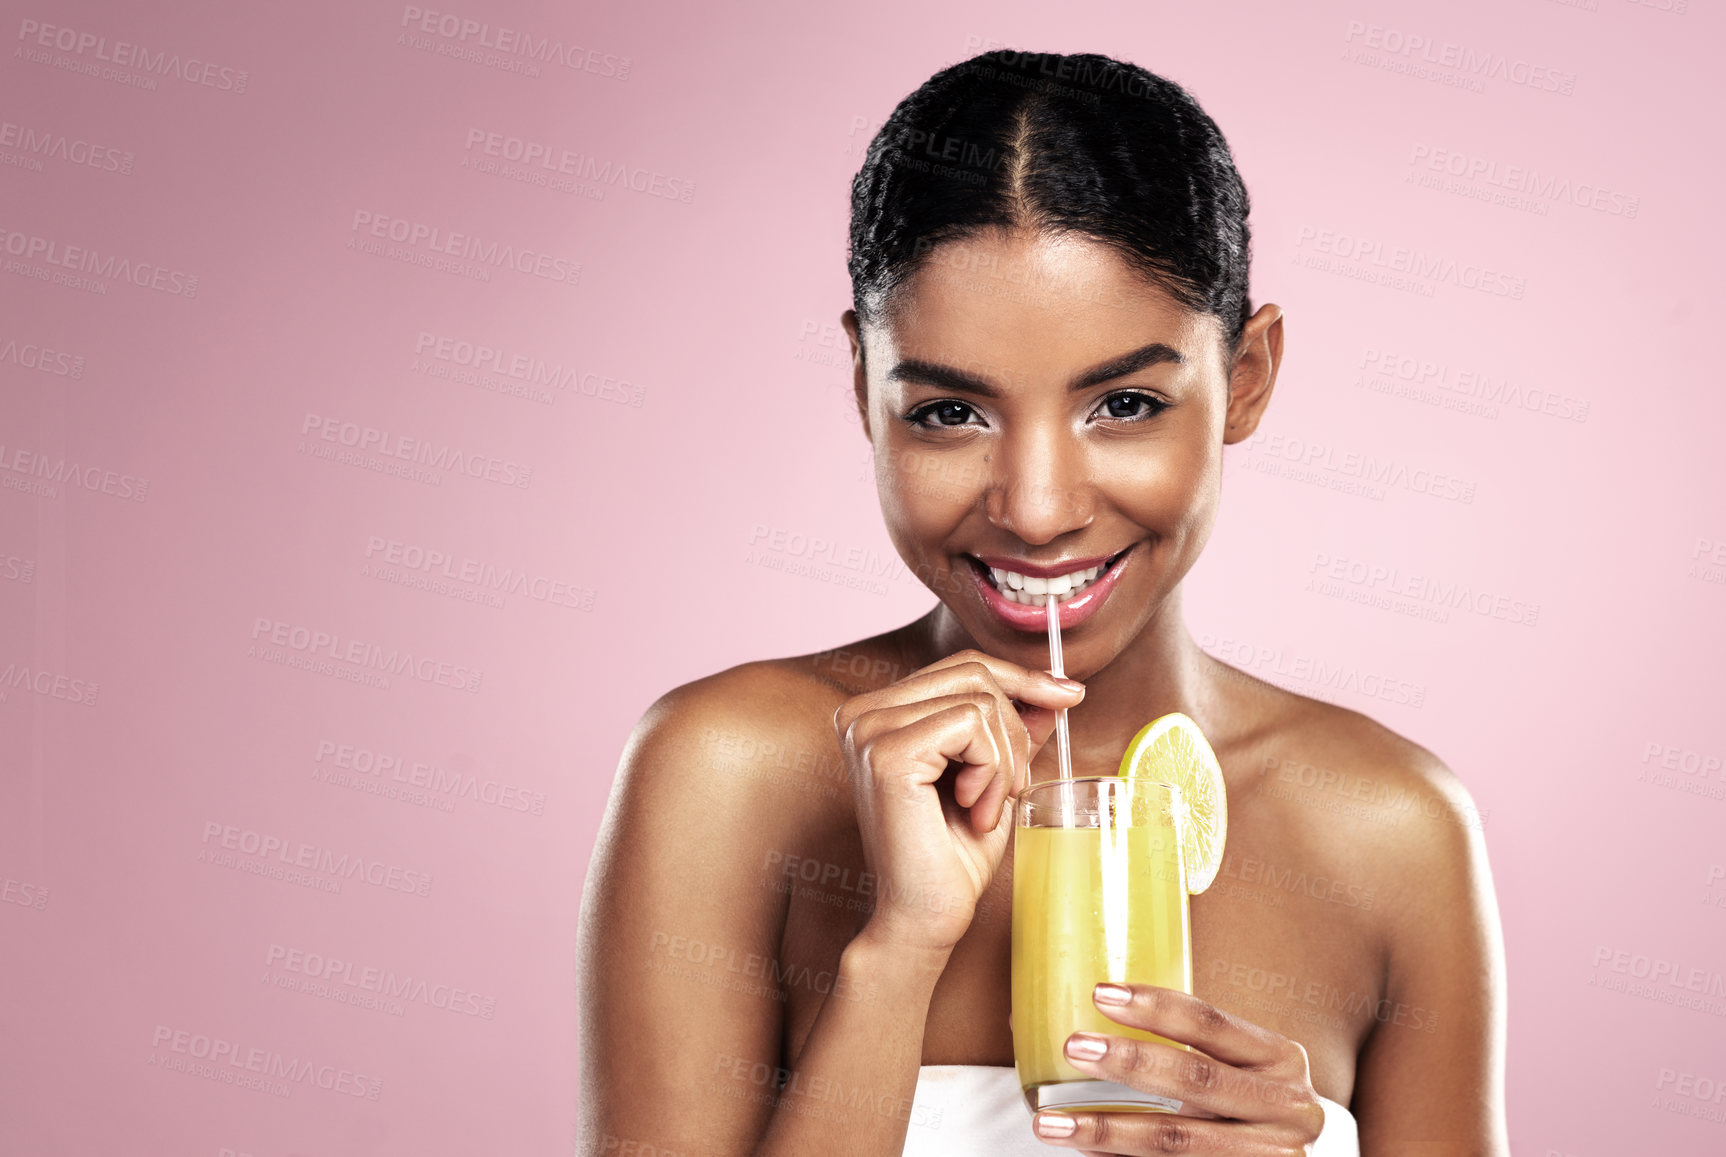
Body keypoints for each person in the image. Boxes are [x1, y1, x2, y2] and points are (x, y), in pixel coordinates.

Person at [578, 49, 1507, 1157]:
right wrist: (897, 952)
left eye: (1123, 402)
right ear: (863, 390)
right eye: (947, 414)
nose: (1035, 507)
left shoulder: (1391, 828)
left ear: (1247, 376)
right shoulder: (728, 770)